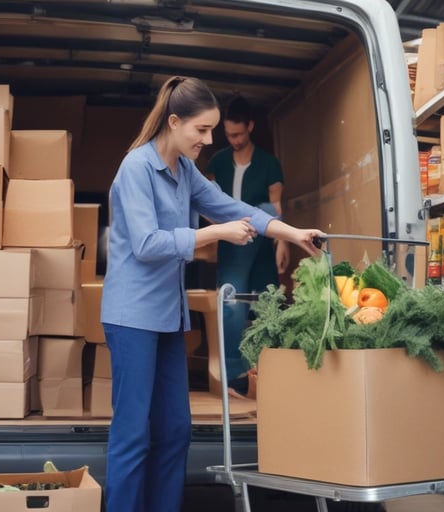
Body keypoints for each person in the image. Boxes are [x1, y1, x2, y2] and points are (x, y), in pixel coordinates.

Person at [100, 75, 324, 512]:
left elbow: (235, 209)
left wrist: (293, 233)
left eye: (212, 130)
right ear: (174, 121)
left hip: (167, 315)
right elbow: (146, 245)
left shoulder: (184, 171)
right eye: (201, 130)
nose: (209, 139)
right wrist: (213, 234)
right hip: (131, 317)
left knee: (176, 431)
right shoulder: (136, 168)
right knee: (132, 433)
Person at [206, 95, 288, 398]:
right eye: (228, 134)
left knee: (266, 304)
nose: (234, 140)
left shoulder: (269, 163)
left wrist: (281, 243)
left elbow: (275, 207)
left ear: (250, 127)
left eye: (238, 134)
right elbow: (207, 203)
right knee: (231, 306)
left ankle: (268, 375)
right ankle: (232, 378)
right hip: (232, 241)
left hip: (263, 241)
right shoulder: (217, 161)